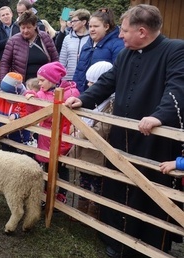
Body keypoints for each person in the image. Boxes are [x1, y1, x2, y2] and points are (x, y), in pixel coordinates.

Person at [65, 5, 184, 256]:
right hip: (122, 137)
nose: (120, 35)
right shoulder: (126, 54)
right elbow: (108, 82)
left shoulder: (175, 50)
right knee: (118, 186)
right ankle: (117, 239)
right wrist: (83, 99)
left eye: (125, 31)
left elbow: (177, 88)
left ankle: (148, 246)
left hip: (154, 140)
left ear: (142, 31)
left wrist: (158, 116)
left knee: (149, 192)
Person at [24, 62, 80, 203]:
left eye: (42, 80)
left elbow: (54, 115)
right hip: (45, 135)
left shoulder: (70, 94)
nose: (39, 83)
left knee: (61, 166)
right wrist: (30, 98)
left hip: (62, 136)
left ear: (53, 79)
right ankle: (47, 192)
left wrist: (39, 102)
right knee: (47, 165)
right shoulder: (41, 93)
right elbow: (33, 113)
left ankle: (61, 193)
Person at [69, 61, 113, 218]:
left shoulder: (111, 105)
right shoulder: (90, 101)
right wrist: (73, 128)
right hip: (84, 148)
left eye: (93, 83)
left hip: (96, 151)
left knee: (97, 183)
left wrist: (80, 134)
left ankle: (94, 212)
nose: (89, 84)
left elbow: (104, 128)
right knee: (84, 180)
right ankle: (81, 208)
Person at [72, 8, 124, 93]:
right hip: (82, 94)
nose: (91, 29)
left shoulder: (117, 45)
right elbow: (78, 70)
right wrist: (74, 90)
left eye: (96, 26)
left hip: (101, 94)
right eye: (90, 26)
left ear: (106, 26)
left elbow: (117, 75)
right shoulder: (86, 45)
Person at [0, 10, 58, 82]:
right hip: (20, 85)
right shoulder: (13, 41)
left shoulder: (45, 38)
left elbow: (55, 60)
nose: (25, 31)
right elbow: (5, 64)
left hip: (44, 84)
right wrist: (2, 83)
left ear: (35, 26)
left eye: (28, 27)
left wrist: (55, 80)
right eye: (23, 28)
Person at [58, 9, 90, 81]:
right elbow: (62, 60)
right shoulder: (67, 38)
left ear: (84, 22)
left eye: (75, 21)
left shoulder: (91, 38)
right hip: (68, 78)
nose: (72, 23)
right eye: (71, 21)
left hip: (85, 78)